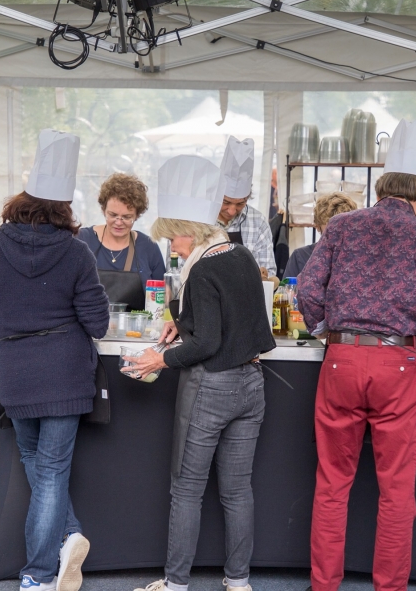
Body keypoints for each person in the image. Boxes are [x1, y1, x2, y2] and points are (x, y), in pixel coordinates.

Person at [0, 129, 109, 591]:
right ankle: (39, 572)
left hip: (14, 369)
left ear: (21, 200)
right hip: (64, 369)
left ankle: (67, 537)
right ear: (63, 208)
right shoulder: (77, 252)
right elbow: (98, 324)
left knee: (34, 459)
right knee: (51, 468)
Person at [126, 155, 276, 591]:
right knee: (237, 491)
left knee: (187, 490)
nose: (171, 246)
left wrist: (160, 359)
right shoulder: (241, 255)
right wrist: (183, 322)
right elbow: (236, 321)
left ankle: (175, 584)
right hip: (252, 386)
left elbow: (208, 343)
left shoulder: (203, 268)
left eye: (173, 238)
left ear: (189, 230)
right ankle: (239, 581)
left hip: (211, 387)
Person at [298, 118, 416, 591]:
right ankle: (389, 587)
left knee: (332, 484)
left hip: (341, 360)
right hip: (397, 364)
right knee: (396, 491)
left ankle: (323, 585)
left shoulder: (343, 225)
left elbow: (308, 290)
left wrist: (329, 331)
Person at [78, 172, 165, 310]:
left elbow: (163, 296)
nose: (119, 222)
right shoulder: (82, 240)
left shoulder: (148, 247)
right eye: (112, 215)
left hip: (135, 330)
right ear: (103, 210)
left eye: (126, 217)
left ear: (137, 215)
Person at [217, 136, 278, 286]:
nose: (232, 211)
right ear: (215, 193)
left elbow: (269, 271)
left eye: (240, 203)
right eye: (226, 202)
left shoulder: (258, 222)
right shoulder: (198, 219)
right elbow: (178, 270)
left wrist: (264, 278)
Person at [283, 192, 356, 278]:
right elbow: (287, 290)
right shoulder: (300, 257)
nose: (337, 234)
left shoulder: (360, 258)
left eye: (342, 227)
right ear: (317, 226)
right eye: (330, 229)